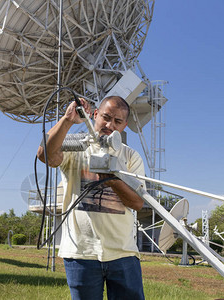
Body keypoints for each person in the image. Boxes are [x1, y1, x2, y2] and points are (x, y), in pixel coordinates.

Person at [37, 95, 146, 300]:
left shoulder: (130, 157)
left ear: (124, 126)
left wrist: (113, 181)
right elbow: (45, 154)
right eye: (105, 117)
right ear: (95, 115)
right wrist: (68, 120)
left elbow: (137, 202)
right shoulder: (77, 146)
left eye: (117, 121)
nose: (109, 124)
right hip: (81, 253)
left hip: (122, 253)